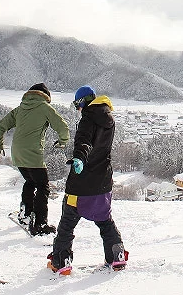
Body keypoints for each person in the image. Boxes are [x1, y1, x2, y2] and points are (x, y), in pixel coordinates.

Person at [48, 85, 127, 275]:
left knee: (67, 222)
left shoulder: (88, 118)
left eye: (77, 104)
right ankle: (117, 256)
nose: (77, 109)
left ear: (83, 102)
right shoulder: (108, 119)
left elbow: (84, 142)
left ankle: (61, 262)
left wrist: (79, 159)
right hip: (103, 181)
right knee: (105, 220)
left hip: (82, 184)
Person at [0, 82, 70, 236]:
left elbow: (0, 126)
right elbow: (63, 127)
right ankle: (40, 224)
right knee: (43, 186)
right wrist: (62, 142)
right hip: (32, 153)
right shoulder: (45, 108)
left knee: (30, 181)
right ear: (46, 96)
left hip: (17, 152)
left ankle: (25, 214)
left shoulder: (20, 108)